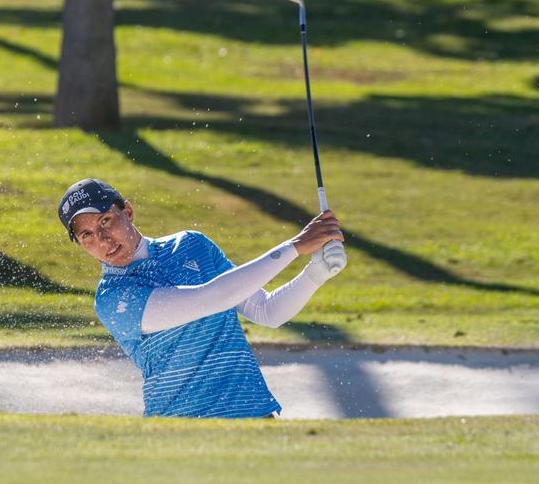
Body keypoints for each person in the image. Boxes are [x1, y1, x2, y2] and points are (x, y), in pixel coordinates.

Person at [58, 178, 346, 419]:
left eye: (106, 221)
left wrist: (316, 273)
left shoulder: (192, 245)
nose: (103, 239)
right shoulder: (112, 297)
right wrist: (295, 246)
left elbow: (266, 310)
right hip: (181, 432)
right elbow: (210, 299)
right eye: (87, 235)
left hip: (255, 415)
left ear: (128, 212)